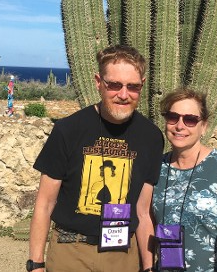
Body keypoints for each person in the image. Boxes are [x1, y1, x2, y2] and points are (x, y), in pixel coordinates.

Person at [27, 45, 164, 272]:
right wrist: (36, 264)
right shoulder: (68, 129)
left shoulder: (151, 137)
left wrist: (149, 268)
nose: (123, 94)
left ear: (142, 85)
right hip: (70, 251)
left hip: (123, 256)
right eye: (114, 85)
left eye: (133, 87)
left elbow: (143, 211)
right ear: (99, 82)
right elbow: (45, 203)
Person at [152, 88, 217, 272]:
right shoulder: (156, 168)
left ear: (204, 126)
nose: (180, 125)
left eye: (190, 119)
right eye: (173, 117)